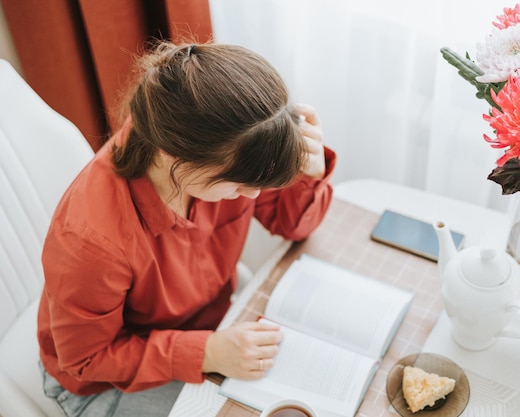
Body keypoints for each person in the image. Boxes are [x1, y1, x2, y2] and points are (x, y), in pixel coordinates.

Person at [37, 40, 336, 417]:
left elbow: (291, 225)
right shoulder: (91, 239)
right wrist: (206, 352)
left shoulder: (216, 149)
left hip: (209, 325)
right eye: (240, 185)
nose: (253, 195)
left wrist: (309, 172)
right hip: (103, 380)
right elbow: (86, 360)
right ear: (172, 156)